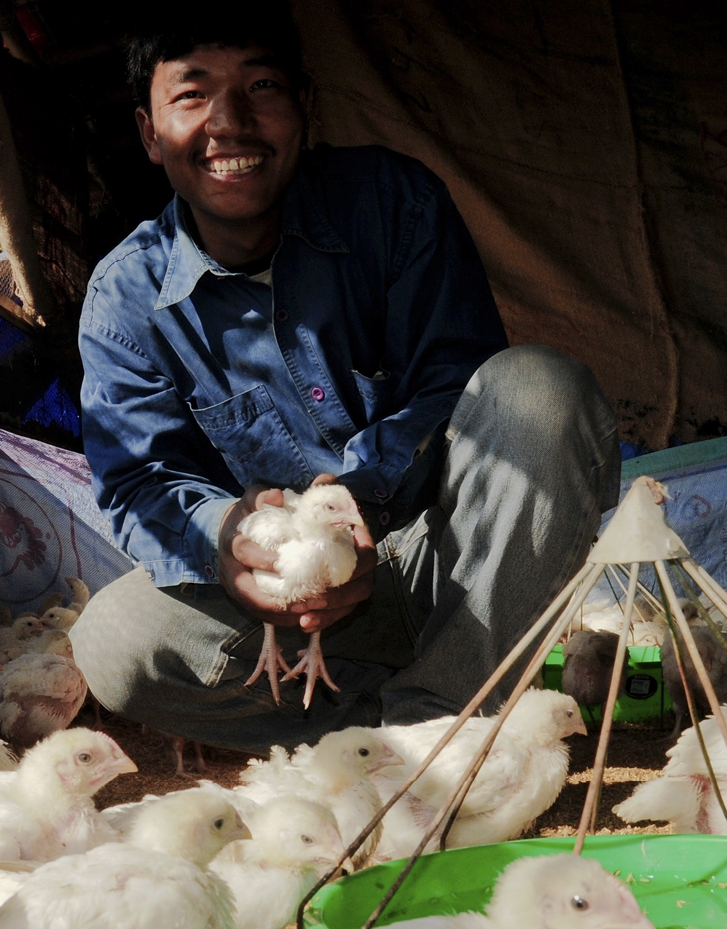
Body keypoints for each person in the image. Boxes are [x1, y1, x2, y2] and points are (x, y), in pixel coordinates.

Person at [68, 1, 622, 755]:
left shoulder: (393, 205)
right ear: (149, 133)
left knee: (541, 389)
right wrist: (228, 539)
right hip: (287, 611)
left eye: (261, 86)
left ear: (305, 106)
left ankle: (441, 711)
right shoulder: (124, 301)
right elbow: (142, 484)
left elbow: (455, 379)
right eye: (192, 95)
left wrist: (356, 489)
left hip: (452, 566)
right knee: (114, 639)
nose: (229, 124)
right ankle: (404, 724)